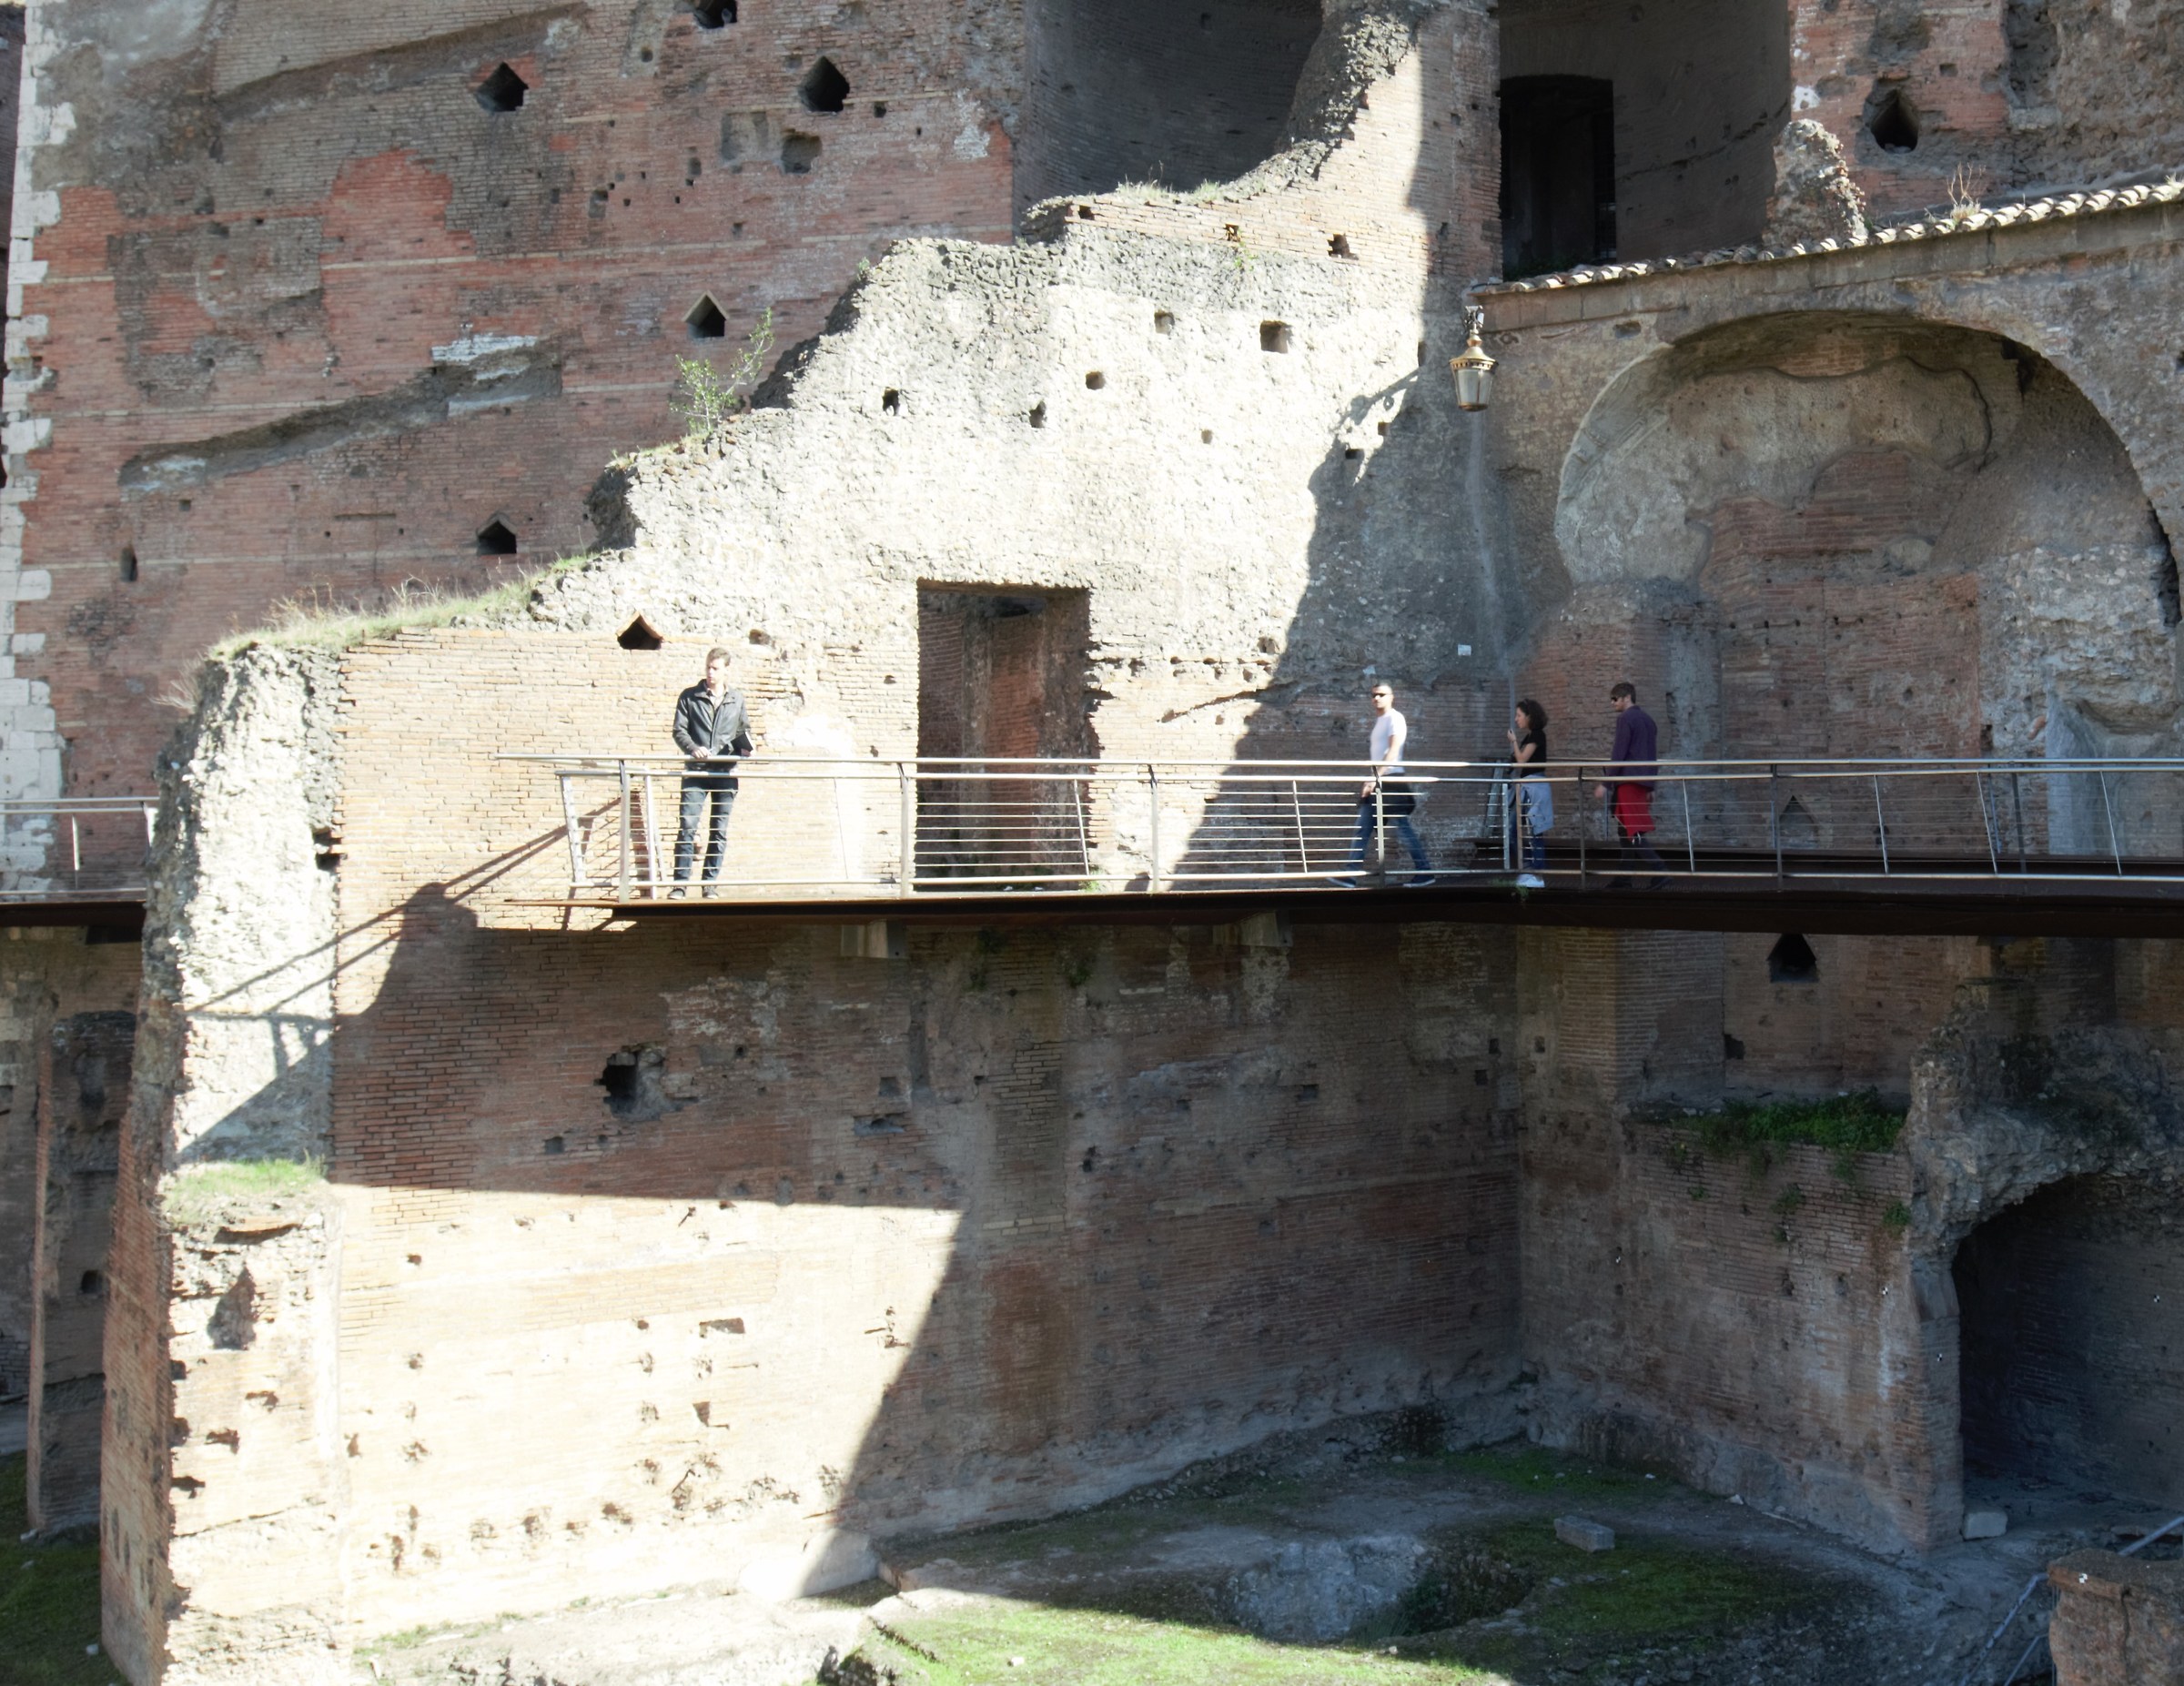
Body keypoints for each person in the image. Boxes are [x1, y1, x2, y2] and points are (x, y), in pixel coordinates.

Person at [669, 646, 755, 897]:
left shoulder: (736, 699)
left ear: (726, 670)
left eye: (715, 668)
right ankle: (679, 885)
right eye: (708, 667)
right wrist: (693, 747)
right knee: (687, 826)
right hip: (696, 771)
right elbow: (679, 730)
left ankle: (709, 885)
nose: (710, 673)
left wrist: (748, 747)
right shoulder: (689, 696)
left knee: (719, 830)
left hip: (725, 772)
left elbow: (743, 730)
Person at [1338, 681, 1434, 886]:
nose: (1376, 698)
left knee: (1402, 828)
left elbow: (1393, 751)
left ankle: (1425, 871)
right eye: (1373, 695)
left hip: (1391, 782)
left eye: (1381, 694)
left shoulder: (1395, 718)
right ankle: (1350, 874)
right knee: (1362, 827)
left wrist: (1375, 777)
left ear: (1392, 697)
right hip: (1378, 783)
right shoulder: (1380, 722)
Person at [1592, 681, 1666, 887]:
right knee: (1625, 831)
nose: (1612, 703)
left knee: (1632, 831)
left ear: (1627, 698)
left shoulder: (1626, 718)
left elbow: (1619, 752)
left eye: (1615, 699)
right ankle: (1624, 876)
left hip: (1628, 782)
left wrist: (1606, 784)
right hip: (1641, 782)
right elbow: (1652, 756)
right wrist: (1652, 785)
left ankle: (1660, 870)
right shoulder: (1649, 721)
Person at [1506, 698, 1551, 889]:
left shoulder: (1537, 735)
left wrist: (1514, 741)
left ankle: (1538, 876)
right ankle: (1527, 868)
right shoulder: (1530, 736)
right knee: (1513, 829)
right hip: (1525, 787)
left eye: (1519, 715)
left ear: (1529, 717)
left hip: (1535, 787)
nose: (1516, 719)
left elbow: (1522, 760)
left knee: (1535, 831)